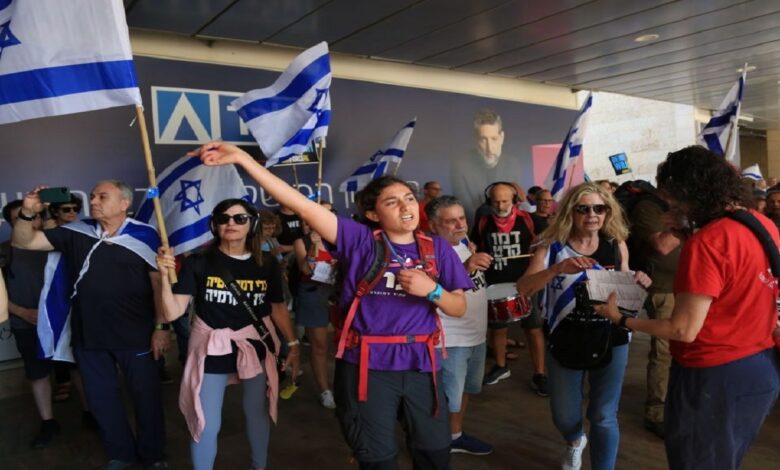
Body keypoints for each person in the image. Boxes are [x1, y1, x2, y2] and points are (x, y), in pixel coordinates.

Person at [191, 141, 472, 470]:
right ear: (372, 214)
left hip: (422, 366)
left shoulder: (437, 248)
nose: (405, 206)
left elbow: (458, 307)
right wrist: (242, 159)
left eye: (409, 198)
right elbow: (301, 205)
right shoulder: (360, 241)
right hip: (369, 367)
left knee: (435, 452)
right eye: (391, 202)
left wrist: (432, 290)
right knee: (377, 458)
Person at [594, 146, 780, 470]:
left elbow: (683, 329)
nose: (669, 205)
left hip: (713, 374)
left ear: (688, 192)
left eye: (672, 198)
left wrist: (621, 319)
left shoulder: (708, 241)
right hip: (759, 366)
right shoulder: (761, 223)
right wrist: (686, 233)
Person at [13, 180, 170, 470]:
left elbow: (158, 282)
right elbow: (24, 241)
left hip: (137, 334)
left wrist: (161, 328)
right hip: (89, 334)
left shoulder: (145, 234)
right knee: (101, 400)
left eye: (102, 196)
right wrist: (26, 212)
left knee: (146, 398)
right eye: (94, 196)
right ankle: (120, 454)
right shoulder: (77, 232)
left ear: (124, 204)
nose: (94, 201)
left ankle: (154, 455)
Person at [157, 198, 299, 470]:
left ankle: (259, 466)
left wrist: (292, 344)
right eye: (224, 218)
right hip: (212, 350)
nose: (231, 223)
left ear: (252, 225)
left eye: (239, 218)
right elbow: (174, 312)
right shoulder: (198, 262)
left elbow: (278, 308)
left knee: (256, 413)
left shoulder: (266, 263)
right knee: (206, 422)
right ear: (214, 225)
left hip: (254, 346)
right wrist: (165, 276)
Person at [516, 182, 650, 470]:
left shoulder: (616, 244)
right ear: (570, 212)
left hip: (611, 336)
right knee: (564, 414)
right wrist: (556, 270)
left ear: (607, 212)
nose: (593, 215)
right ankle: (575, 440)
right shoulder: (550, 247)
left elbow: (625, 282)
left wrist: (637, 280)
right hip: (565, 337)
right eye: (584, 208)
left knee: (603, 415)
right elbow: (524, 288)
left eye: (599, 209)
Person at [426, 195, 493, 456]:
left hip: (476, 336)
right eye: (450, 221)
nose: (460, 225)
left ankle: (454, 436)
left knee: (464, 392)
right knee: (445, 399)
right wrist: (467, 266)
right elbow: (434, 293)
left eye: (462, 218)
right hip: (450, 340)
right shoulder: (430, 252)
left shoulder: (464, 243)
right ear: (433, 226)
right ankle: (436, 445)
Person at [471, 182, 547, 394]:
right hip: (495, 283)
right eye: (495, 201)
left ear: (514, 201)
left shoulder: (530, 220)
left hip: (525, 282)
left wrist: (542, 249)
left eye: (505, 200)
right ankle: (501, 366)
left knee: (533, 328)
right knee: (497, 329)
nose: (500, 204)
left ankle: (540, 373)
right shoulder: (483, 221)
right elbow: (475, 244)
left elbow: (552, 238)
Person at [625, 182, 682, 439]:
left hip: (690, 284)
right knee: (664, 349)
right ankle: (657, 411)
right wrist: (686, 219)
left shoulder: (677, 208)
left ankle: (678, 399)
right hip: (662, 288)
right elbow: (663, 246)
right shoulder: (647, 207)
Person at [2, 200, 60, 448]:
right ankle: (48, 422)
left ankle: (92, 414)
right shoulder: (4, 252)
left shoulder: (57, 245)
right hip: (26, 324)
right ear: (10, 223)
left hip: (62, 323)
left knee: (78, 368)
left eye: (33, 216)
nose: (29, 222)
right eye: (21, 218)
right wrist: (22, 312)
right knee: (37, 373)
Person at [293, 201, 338, 409]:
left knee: (345, 343)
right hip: (313, 293)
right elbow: (306, 270)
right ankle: (324, 390)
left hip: (339, 293)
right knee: (319, 345)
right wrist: (314, 245)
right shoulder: (302, 241)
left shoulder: (341, 240)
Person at [451, 109, 525, 223]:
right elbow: (467, 211)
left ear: (502, 137)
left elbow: (518, 204)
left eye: (494, 139)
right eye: (483, 140)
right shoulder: (460, 166)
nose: (490, 148)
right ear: (475, 139)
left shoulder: (513, 164)